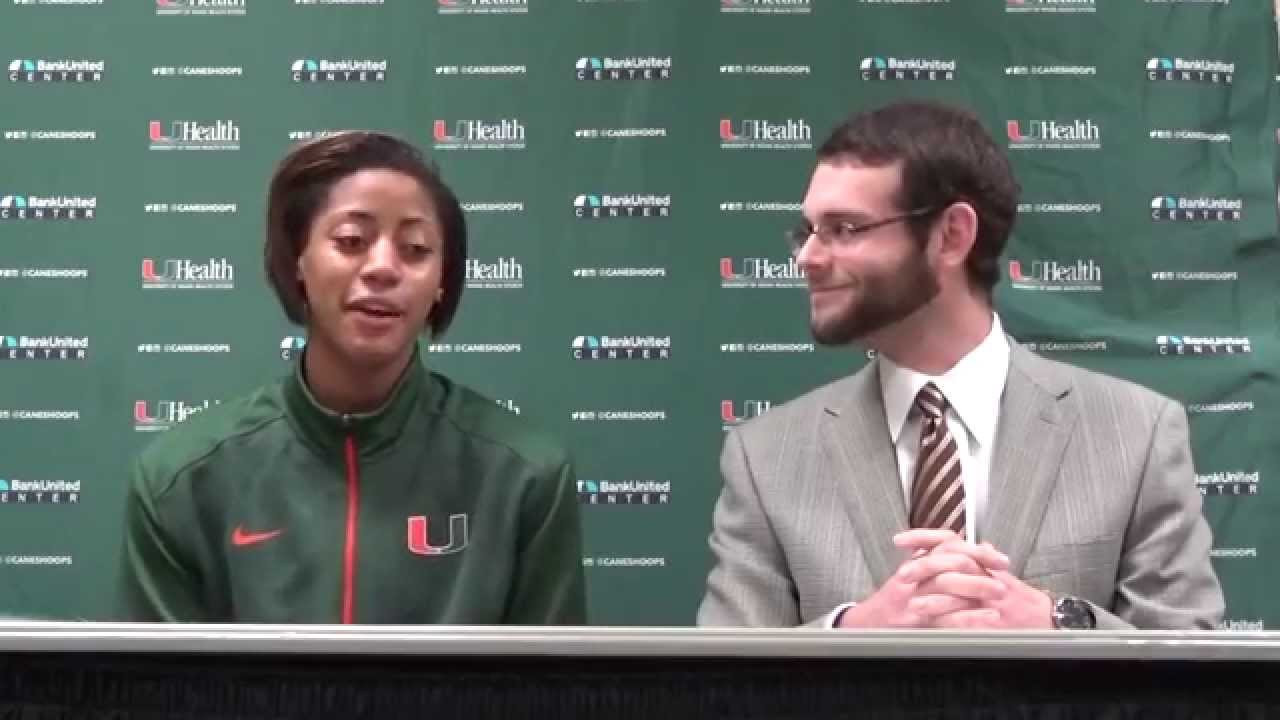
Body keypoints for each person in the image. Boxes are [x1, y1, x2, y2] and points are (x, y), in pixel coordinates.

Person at [697, 100, 1223, 630]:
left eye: (845, 229)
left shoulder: (1136, 434)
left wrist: (1059, 623)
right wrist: (852, 633)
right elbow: (719, 683)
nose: (807, 258)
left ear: (951, 236)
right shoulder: (765, 458)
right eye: (807, 229)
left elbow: (1198, 672)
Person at [117, 131, 585, 624]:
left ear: (443, 279)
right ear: (298, 259)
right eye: (351, 242)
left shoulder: (524, 478)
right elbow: (163, 698)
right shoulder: (182, 481)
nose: (383, 268)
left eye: (416, 248)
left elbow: (547, 697)